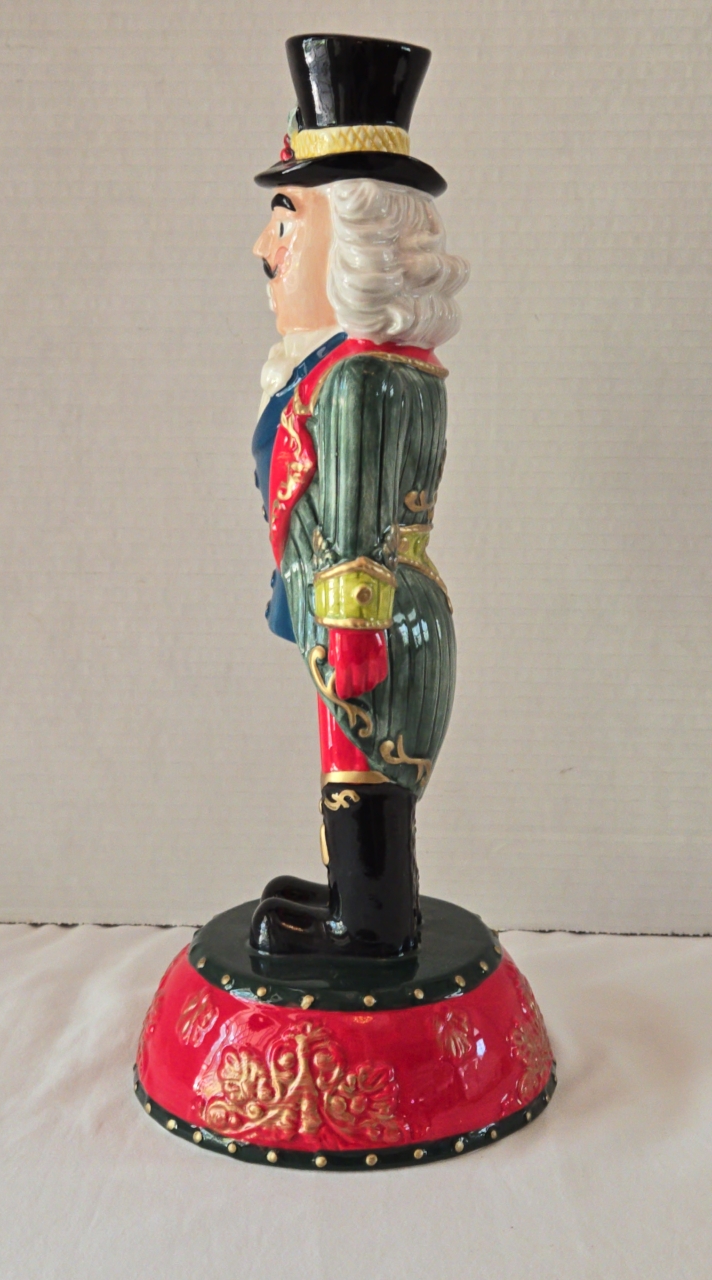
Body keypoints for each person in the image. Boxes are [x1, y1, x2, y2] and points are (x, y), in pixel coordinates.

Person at [249, 34, 468, 957]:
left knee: (363, 763)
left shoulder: (364, 380)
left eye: (287, 220)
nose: (265, 249)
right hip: (346, 619)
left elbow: (354, 528)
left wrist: (351, 643)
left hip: (366, 627)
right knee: (346, 759)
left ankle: (370, 924)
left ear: (355, 239)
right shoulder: (338, 368)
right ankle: (354, 893)